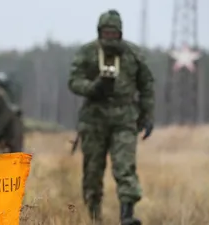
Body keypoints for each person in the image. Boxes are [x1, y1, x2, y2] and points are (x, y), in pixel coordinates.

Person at [67, 9, 155, 225]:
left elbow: (147, 85)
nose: (109, 38)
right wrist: (93, 87)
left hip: (124, 120)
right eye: (105, 34)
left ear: (120, 34)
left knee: (125, 168)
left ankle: (127, 215)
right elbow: (73, 80)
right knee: (92, 171)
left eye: (113, 34)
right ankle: (94, 216)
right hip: (93, 120)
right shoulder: (87, 53)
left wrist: (148, 115)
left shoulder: (133, 54)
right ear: (99, 33)